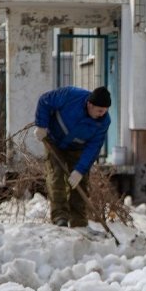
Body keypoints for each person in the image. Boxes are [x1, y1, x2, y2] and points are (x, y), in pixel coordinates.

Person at [34, 86, 111, 228]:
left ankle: (79, 221)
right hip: (54, 140)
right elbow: (45, 101)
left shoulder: (104, 122)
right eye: (100, 111)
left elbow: (94, 147)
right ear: (90, 104)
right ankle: (59, 217)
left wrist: (80, 170)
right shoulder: (70, 95)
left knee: (80, 182)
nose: (102, 114)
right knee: (56, 176)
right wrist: (41, 125)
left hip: (78, 148)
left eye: (105, 111)